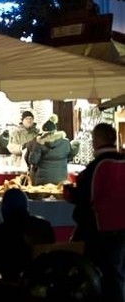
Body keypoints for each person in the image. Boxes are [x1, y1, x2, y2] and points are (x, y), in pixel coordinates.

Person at [66, 122, 125, 302]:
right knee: (118, 271)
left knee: (99, 271)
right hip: (122, 226)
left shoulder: (96, 167)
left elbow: (86, 197)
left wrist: (70, 193)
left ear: (96, 141)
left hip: (101, 228)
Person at [0, 188, 55, 284]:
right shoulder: (44, 226)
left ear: (4, 209)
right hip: (42, 288)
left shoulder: (3, 231)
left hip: (12, 289)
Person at [25, 114, 79, 185]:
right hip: (61, 180)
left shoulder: (39, 143)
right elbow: (71, 154)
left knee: (43, 195)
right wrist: (76, 144)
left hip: (42, 181)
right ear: (55, 131)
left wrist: (35, 147)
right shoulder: (65, 142)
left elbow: (33, 161)